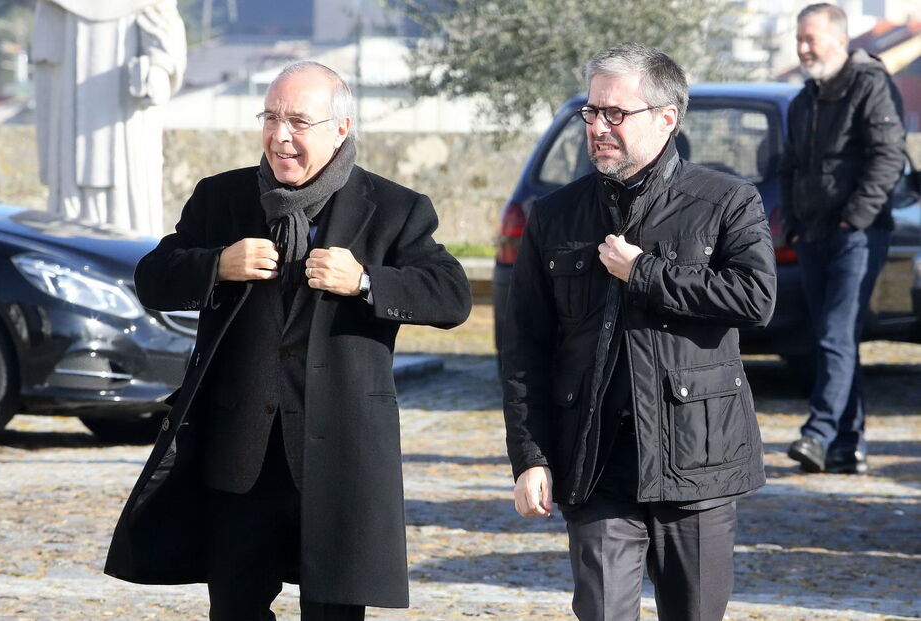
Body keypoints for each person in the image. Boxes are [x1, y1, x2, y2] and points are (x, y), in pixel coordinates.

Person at [103, 61, 472, 620]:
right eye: (271, 118)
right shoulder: (221, 198)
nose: (280, 136)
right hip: (239, 457)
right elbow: (152, 278)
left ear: (340, 129)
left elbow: (451, 296)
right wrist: (217, 264)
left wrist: (365, 281)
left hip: (340, 458)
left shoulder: (395, 208)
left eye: (299, 121)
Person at [502, 43, 776, 621]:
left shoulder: (726, 201)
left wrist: (645, 273)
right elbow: (525, 347)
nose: (597, 127)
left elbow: (756, 298)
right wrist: (529, 457)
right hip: (595, 462)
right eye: (591, 112)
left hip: (697, 462)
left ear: (666, 117)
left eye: (615, 113)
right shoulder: (554, 215)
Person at [780, 3, 906, 475]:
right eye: (799, 39)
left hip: (858, 235)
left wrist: (854, 219)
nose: (802, 48)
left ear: (838, 39)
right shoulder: (804, 99)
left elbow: (888, 157)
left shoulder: (870, 84)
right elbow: (790, 165)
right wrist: (793, 222)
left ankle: (818, 432)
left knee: (835, 334)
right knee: (834, 338)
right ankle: (847, 446)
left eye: (809, 39)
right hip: (812, 235)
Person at [32, 0, 187, 237]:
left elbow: (164, 40)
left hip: (127, 120)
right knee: (69, 206)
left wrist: (157, 71)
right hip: (68, 126)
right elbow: (46, 67)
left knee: (129, 207)